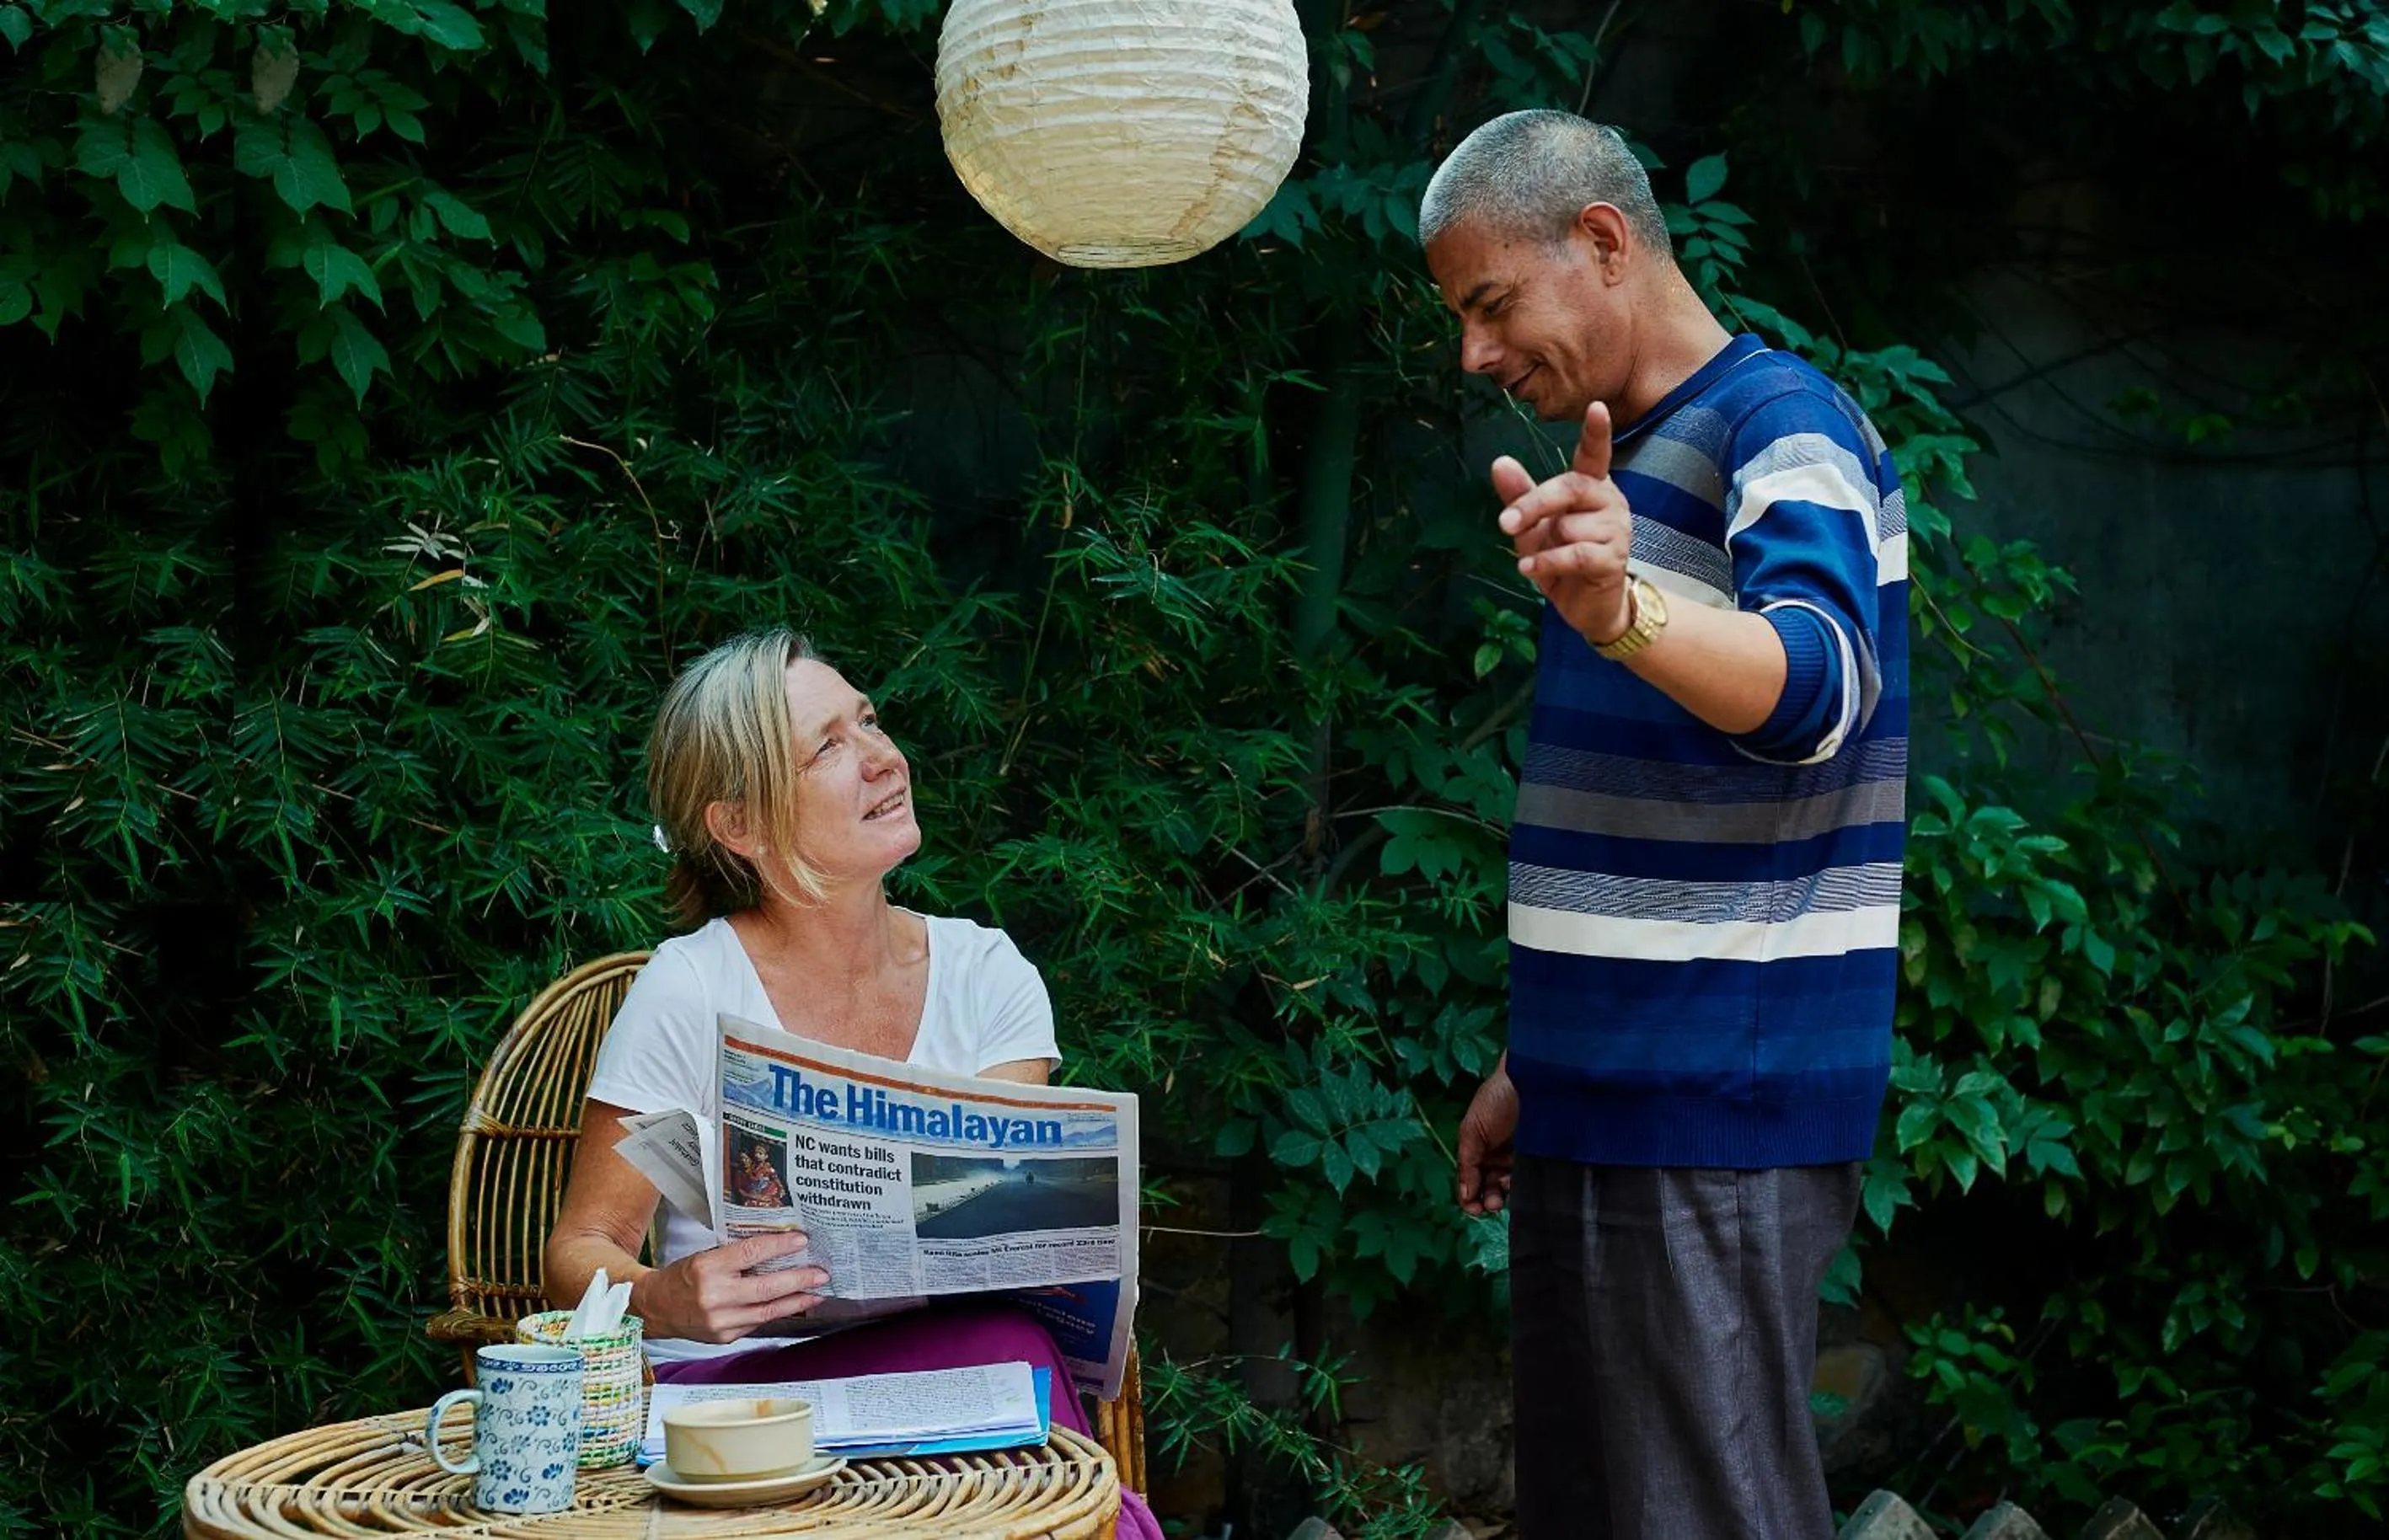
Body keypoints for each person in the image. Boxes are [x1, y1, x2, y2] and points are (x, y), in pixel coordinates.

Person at [1420, 111, 1907, 1540]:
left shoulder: (1783, 427)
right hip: (1608, 1087)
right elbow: (1660, 803)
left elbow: (1819, 684)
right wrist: (1540, 1052)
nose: (1476, 355)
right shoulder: (1618, 459)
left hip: (1717, 1097)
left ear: (1604, 241)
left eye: (1490, 303)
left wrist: (1630, 611)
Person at [544, 628, 1161, 1539]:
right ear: (740, 825)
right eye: (828, 746)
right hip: (734, 1410)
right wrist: (666, 1296)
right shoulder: (690, 988)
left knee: (1014, 1350)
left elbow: (1011, 1236)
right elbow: (579, 1250)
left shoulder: (986, 973)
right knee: (1010, 1363)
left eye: (868, 720)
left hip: (940, 1383)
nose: (882, 758)